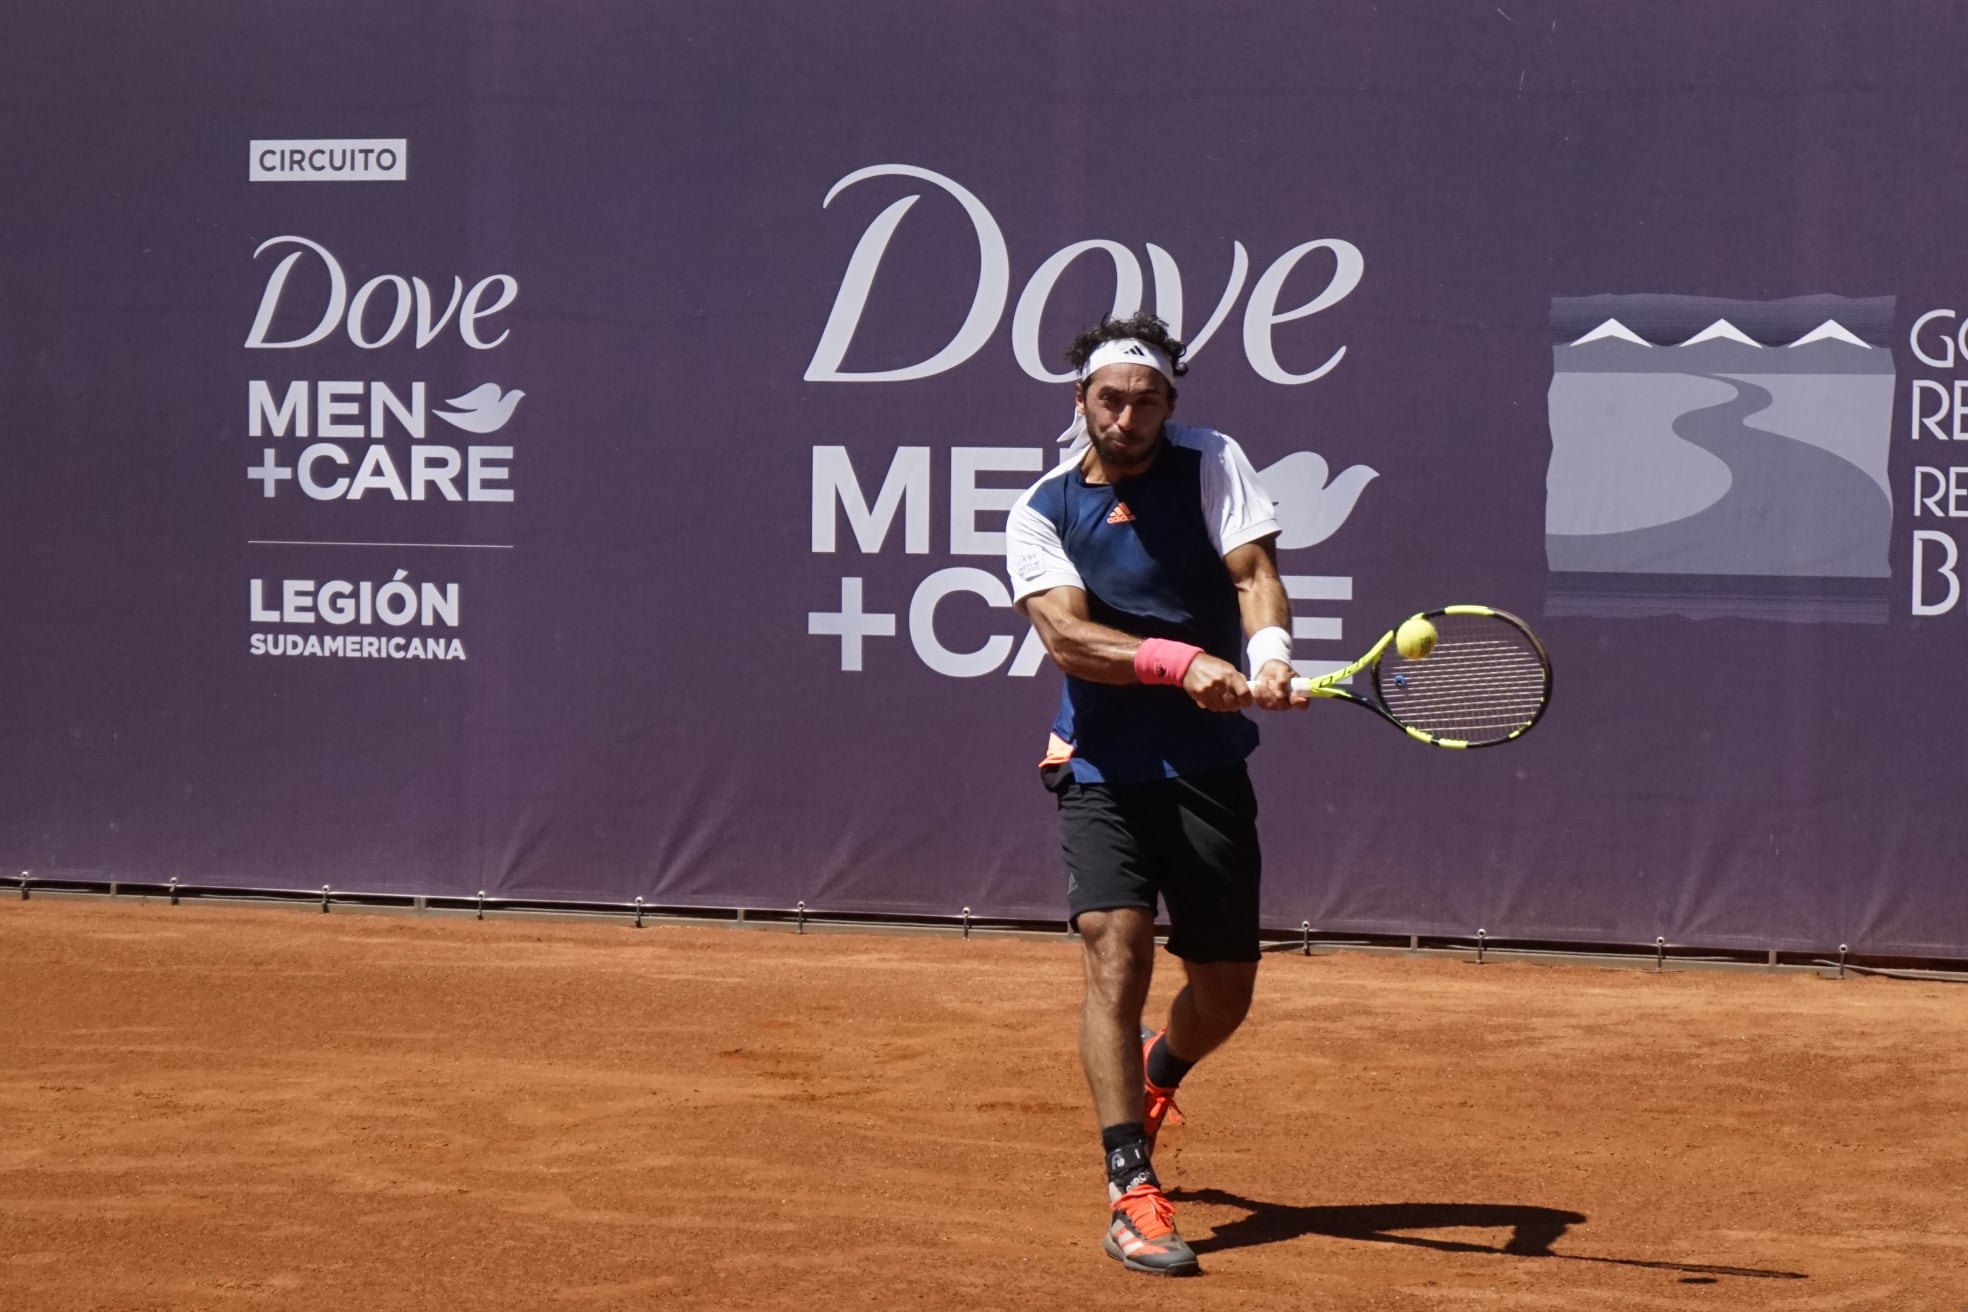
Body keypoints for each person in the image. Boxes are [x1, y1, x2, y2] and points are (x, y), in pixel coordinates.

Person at [1005, 312, 1305, 1276]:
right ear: (1081, 400)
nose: (1127, 418)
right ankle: (1130, 1186)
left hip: (1204, 769)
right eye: (1110, 400)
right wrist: (1180, 663)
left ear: (1170, 404)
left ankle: (1159, 1064)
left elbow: (1253, 572)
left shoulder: (1210, 460)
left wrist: (1268, 654)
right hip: (1098, 764)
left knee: (1223, 995)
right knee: (1115, 947)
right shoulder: (1043, 508)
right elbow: (1066, 638)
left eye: (1146, 402)